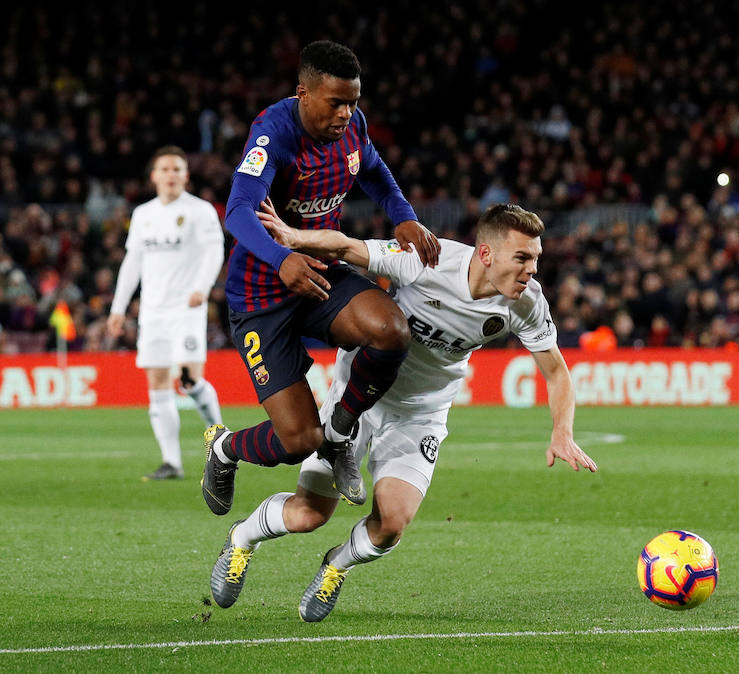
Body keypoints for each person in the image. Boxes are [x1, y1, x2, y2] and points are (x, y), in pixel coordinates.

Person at [208, 202, 597, 621]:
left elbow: (557, 373)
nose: (531, 270)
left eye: (535, 259)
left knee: (391, 525)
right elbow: (349, 247)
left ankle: (336, 566)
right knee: (308, 515)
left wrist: (563, 431)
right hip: (359, 398)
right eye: (522, 257)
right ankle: (243, 537)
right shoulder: (428, 260)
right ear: (486, 254)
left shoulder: (526, 304)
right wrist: (292, 237)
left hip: (422, 414)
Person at [201, 40, 440, 513]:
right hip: (261, 295)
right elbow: (238, 210)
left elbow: (373, 170)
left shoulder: (354, 128)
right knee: (295, 440)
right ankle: (225, 448)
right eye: (335, 103)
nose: (346, 114)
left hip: (319, 275)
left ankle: (340, 435)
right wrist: (279, 258)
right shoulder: (274, 133)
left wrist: (403, 215)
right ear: (304, 94)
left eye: (353, 102)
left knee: (390, 330)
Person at [107, 145, 225, 481]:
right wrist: (118, 308)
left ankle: (219, 439)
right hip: (152, 312)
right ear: (154, 176)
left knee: (189, 380)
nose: (171, 174)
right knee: (157, 384)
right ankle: (171, 462)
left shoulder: (200, 211)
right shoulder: (144, 213)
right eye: (165, 169)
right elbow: (133, 262)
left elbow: (214, 250)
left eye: (177, 169)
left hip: (186, 307)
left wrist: (202, 288)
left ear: (186, 176)